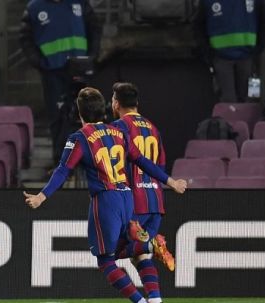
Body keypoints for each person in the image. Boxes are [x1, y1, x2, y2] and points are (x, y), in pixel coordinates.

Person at [23, 87, 187, 303]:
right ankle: (150, 271)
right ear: (104, 110)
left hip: (106, 200)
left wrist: (41, 197)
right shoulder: (119, 133)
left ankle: (142, 290)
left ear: (79, 113)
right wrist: (171, 181)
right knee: (123, 249)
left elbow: (63, 170)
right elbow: (143, 161)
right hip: (127, 197)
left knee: (105, 260)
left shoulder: (79, 138)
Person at [19, 0, 102, 162]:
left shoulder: (80, 3)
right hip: (52, 70)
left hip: (80, 68)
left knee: (87, 113)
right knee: (57, 115)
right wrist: (39, 62)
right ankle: (61, 160)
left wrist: (92, 56)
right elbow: (25, 39)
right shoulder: (34, 8)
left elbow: (95, 29)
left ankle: (90, 157)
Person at [111, 82, 170, 303]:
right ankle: (155, 301)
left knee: (108, 254)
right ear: (137, 103)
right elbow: (160, 167)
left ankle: (151, 243)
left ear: (116, 103)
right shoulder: (153, 128)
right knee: (140, 256)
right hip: (155, 201)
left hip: (133, 202)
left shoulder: (117, 127)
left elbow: (114, 165)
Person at [193, 0, 265, 103]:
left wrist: (259, 48)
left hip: (247, 57)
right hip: (222, 58)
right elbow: (198, 25)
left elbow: (264, 22)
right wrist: (208, 52)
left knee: (249, 100)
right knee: (228, 101)